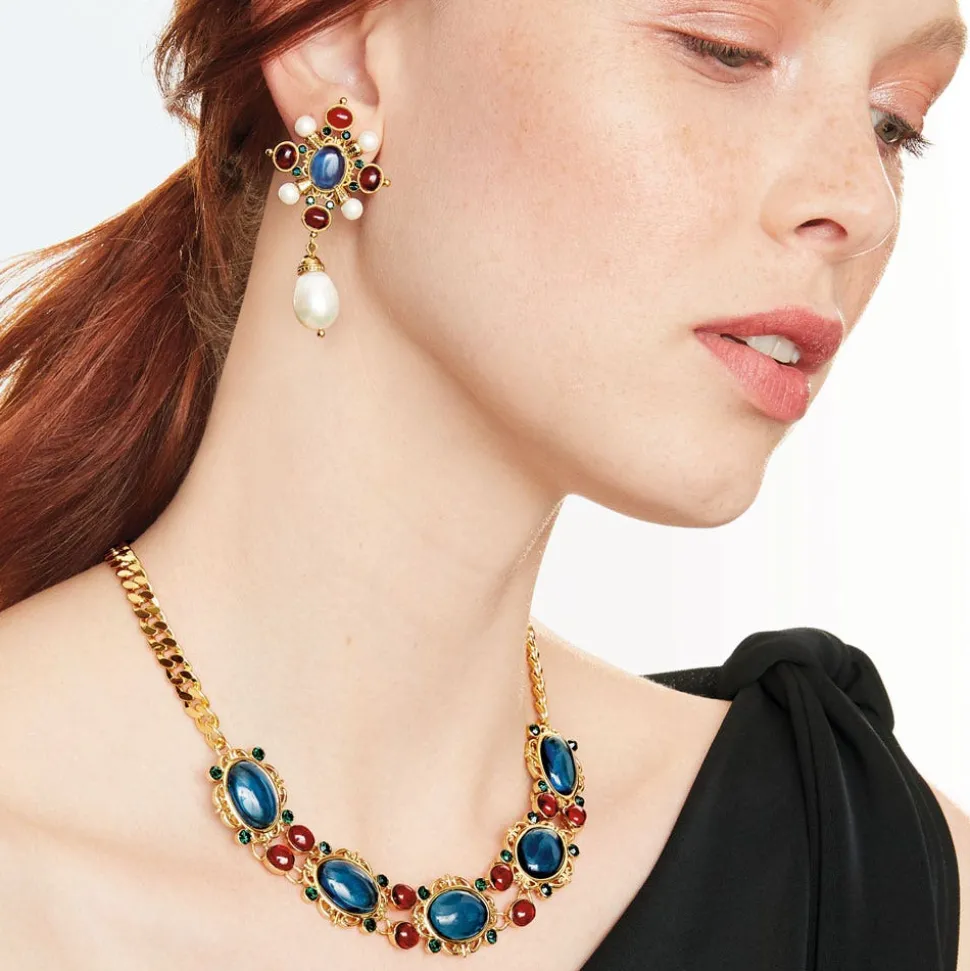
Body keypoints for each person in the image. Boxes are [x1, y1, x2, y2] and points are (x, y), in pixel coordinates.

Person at [0, 0, 967, 967]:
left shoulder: (873, 875)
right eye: (727, 51)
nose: (865, 201)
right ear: (335, 47)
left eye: (894, 121)